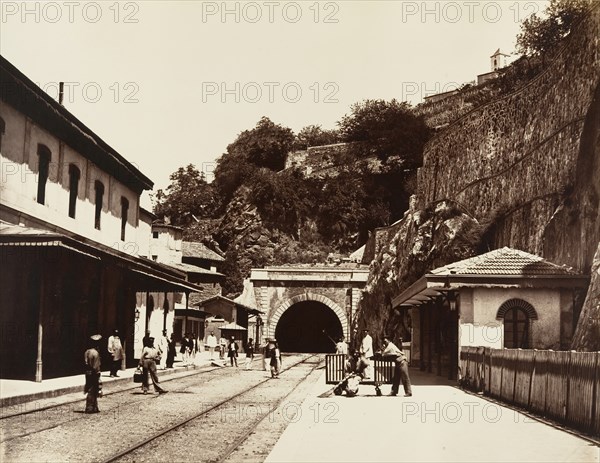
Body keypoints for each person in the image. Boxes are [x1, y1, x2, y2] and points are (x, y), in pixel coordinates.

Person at [84, 334, 102, 413]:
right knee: (93, 390)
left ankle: (95, 407)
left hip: (87, 372)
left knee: (89, 389)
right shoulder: (96, 353)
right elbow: (96, 366)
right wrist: (98, 374)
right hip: (94, 373)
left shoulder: (87, 352)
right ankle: (90, 407)